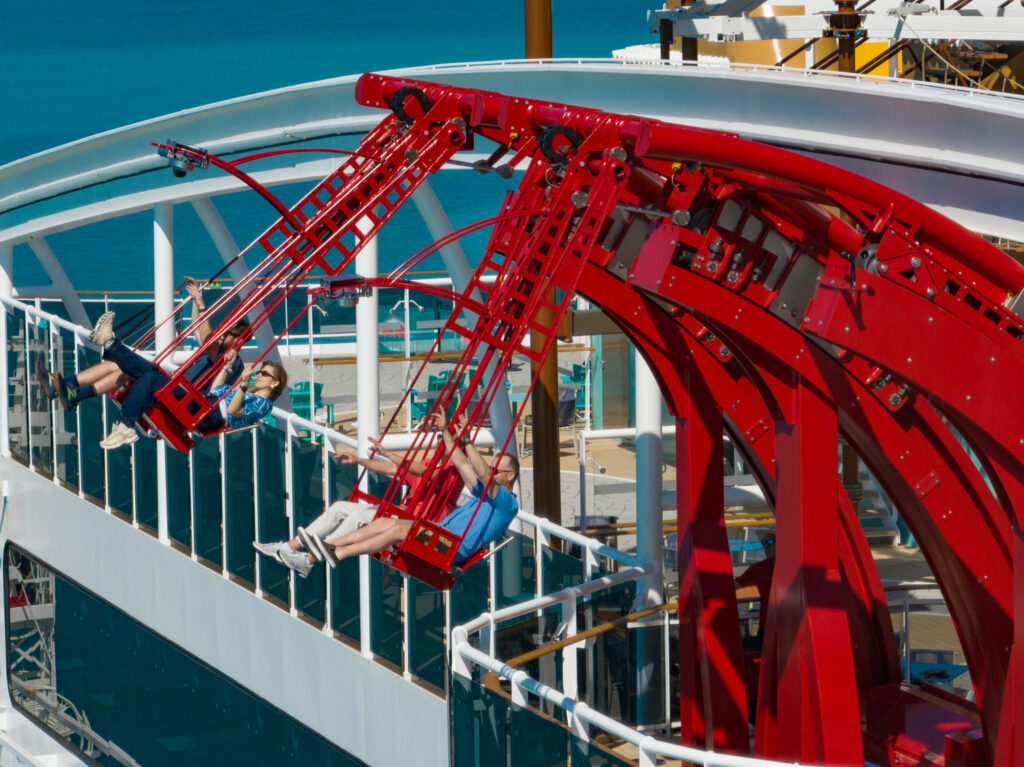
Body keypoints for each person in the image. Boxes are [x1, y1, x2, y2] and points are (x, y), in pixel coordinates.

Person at [309, 411, 519, 573]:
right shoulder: (484, 492)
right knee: (386, 521)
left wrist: (469, 443)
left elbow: (480, 471)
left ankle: (340, 552)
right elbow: (462, 463)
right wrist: (447, 432)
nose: (491, 472)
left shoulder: (506, 503)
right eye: (491, 468)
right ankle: (330, 545)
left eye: (496, 470)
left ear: (511, 476)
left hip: (449, 547)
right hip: (438, 534)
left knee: (399, 530)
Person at [45, 310, 287, 449]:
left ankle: (106, 346)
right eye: (260, 371)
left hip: (203, 412)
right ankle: (121, 422)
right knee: (148, 373)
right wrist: (224, 370)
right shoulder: (229, 363)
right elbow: (216, 390)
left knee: (139, 372)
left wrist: (242, 384)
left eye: (264, 374)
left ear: (274, 383)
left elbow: (233, 412)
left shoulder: (263, 403)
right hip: (200, 402)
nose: (259, 374)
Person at [38, 276, 245, 411]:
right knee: (119, 366)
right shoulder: (213, 351)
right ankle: (69, 389)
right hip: (173, 387)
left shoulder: (231, 360)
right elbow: (199, 327)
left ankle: (106, 345)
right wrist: (195, 300)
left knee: (128, 365)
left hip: (182, 396)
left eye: (226, 333)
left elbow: (208, 339)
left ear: (238, 339)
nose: (220, 334)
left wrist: (201, 303)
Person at [253, 437, 429, 577]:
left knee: (358, 518)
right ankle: (287, 548)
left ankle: (308, 560)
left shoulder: (446, 473)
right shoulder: (428, 465)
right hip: (401, 513)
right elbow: (392, 469)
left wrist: (388, 453)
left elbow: (424, 472)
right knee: (339, 507)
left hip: (411, 522)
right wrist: (359, 460)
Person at [736, 527, 776, 650]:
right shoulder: (758, 569)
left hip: (790, 627)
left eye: (770, 543)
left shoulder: (794, 568)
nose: (766, 547)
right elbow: (734, 585)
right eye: (764, 543)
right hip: (766, 628)